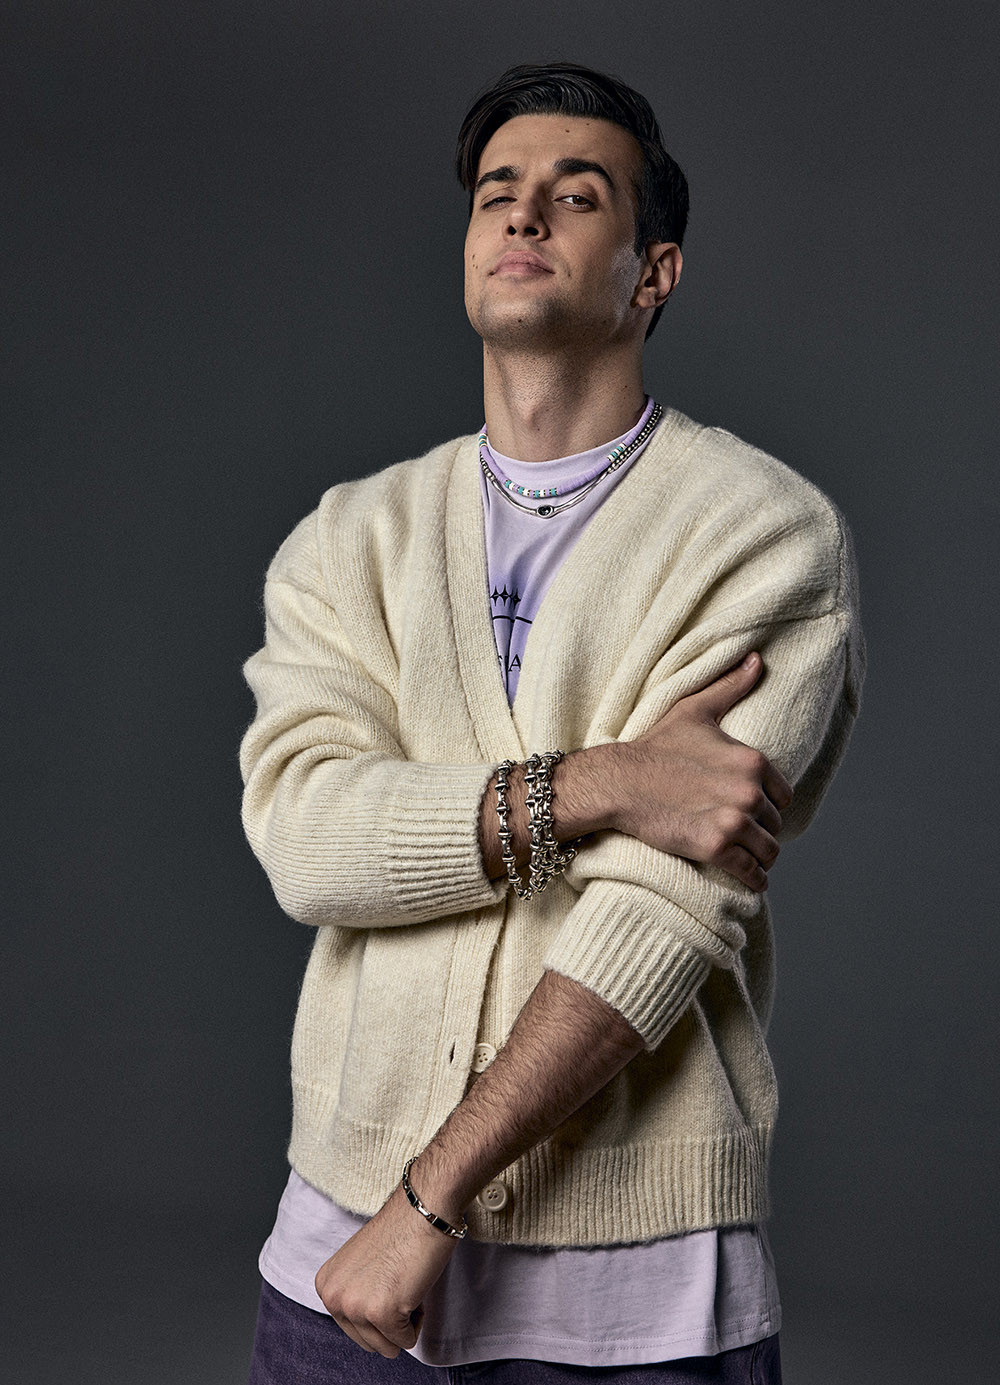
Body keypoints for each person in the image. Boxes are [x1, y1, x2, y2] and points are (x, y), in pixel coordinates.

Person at [240, 61, 864, 1384]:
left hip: (628, 1297)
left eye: (577, 197)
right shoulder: (351, 538)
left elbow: (664, 905)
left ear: (654, 273)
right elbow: (308, 839)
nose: (523, 214)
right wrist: (601, 782)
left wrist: (427, 1203)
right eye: (496, 194)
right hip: (333, 1260)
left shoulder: (763, 533)